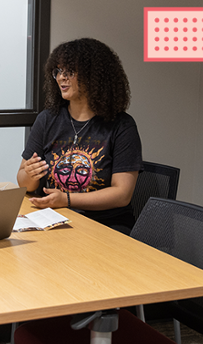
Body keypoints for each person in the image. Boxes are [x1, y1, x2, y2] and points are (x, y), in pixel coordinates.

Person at [17, 38, 143, 234]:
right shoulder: (47, 119)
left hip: (106, 225)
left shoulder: (122, 126)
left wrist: (66, 199)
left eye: (70, 72)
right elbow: (23, 182)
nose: (61, 78)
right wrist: (30, 175)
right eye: (57, 71)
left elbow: (122, 194)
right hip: (56, 219)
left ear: (94, 76)